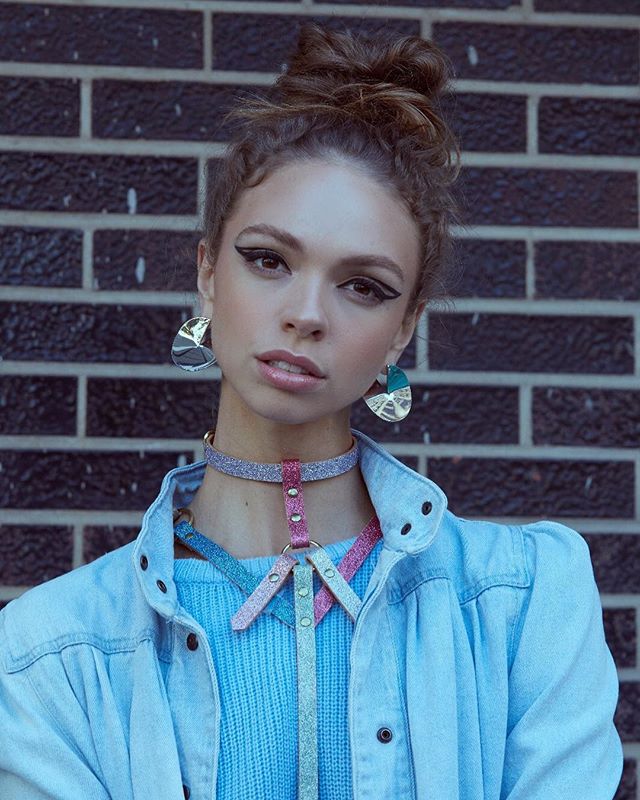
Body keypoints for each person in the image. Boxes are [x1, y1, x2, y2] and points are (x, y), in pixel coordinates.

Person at [0, 21, 623, 800]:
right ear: (207, 273)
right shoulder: (51, 655)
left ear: (404, 328)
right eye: (268, 259)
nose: (306, 314)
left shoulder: (522, 603)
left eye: (363, 286)